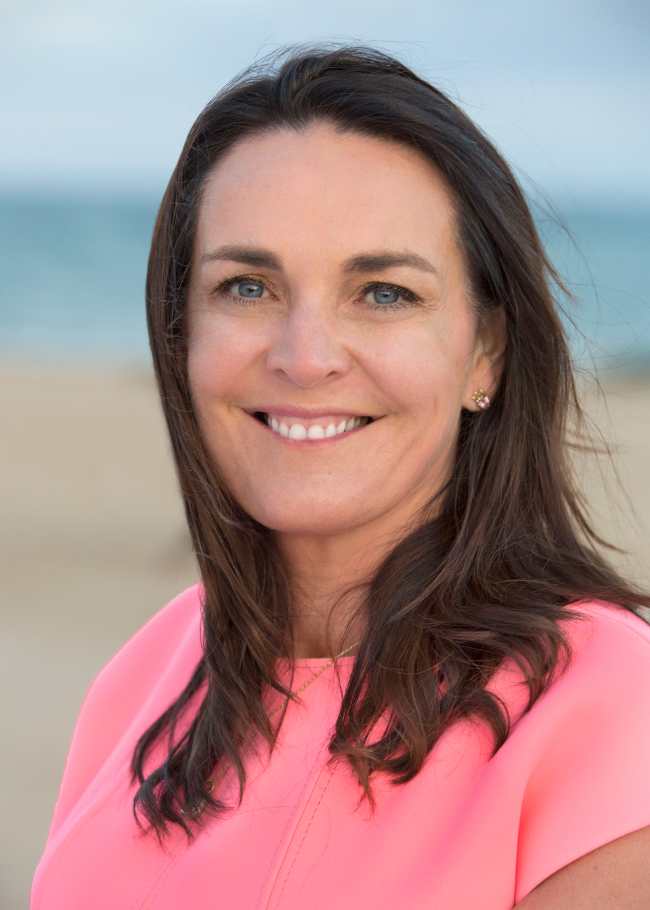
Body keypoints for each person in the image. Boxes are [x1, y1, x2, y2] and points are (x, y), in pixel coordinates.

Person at [31, 43, 650, 909]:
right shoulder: (143, 678)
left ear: (486, 353)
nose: (305, 357)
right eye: (246, 287)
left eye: (384, 293)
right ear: (182, 337)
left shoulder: (607, 709)